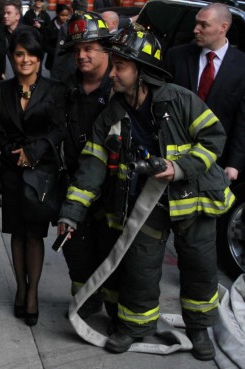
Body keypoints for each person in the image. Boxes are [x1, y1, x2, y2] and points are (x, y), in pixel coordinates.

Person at [58, 24, 235, 361]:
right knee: (140, 266)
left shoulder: (179, 100)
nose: (113, 73)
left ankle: (198, 329)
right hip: (147, 202)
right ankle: (134, 326)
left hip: (194, 200)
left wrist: (179, 167)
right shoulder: (112, 112)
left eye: (120, 66)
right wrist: (71, 212)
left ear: (141, 70)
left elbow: (213, 137)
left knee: (199, 267)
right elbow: (92, 165)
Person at [0, 27, 65, 326]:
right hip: (12, 170)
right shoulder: (0, 90)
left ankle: (32, 292)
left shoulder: (54, 89)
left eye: (31, 54)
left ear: (39, 56)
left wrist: (32, 152)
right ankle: (20, 287)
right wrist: (12, 151)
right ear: (12, 56)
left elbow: (59, 129)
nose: (25, 60)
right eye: (19, 54)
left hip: (41, 173)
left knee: (34, 235)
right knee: (17, 234)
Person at [59, 12, 120, 321]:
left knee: (113, 254)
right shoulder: (67, 87)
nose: (81, 55)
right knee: (78, 253)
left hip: (113, 189)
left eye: (89, 48)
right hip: (75, 186)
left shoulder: (120, 87)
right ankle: (86, 303)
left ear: (106, 50)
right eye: (77, 50)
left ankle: (115, 311)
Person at [164, 2, 245, 182]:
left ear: (223, 28)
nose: (195, 29)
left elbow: (242, 120)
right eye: (196, 23)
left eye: (204, 25)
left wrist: (235, 164)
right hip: (176, 157)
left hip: (218, 161)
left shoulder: (242, 66)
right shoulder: (176, 56)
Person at [3, 1, 32, 79]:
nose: (5, 16)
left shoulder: (28, 32)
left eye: (9, 13)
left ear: (17, 16)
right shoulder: (0, 33)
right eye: (4, 13)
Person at [43, 3, 72, 71]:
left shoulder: (70, 26)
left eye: (66, 15)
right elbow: (44, 45)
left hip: (67, 60)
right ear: (57, 14)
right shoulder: (49, 28)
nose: (65, 17)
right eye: (62, 15)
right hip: (53, 60)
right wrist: (55, 51)